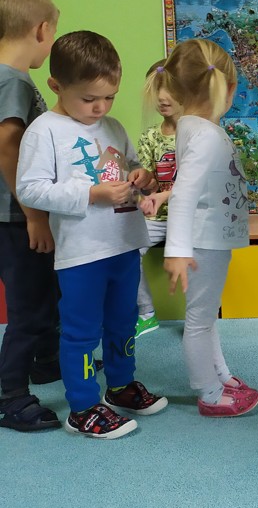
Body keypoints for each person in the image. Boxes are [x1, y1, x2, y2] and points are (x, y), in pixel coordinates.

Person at [16, 30, 168, 439]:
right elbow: (30, 189)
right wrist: (90, 194)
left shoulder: (112, 126)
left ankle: (120, 386)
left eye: (109, 97)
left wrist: (143, 177)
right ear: (56, 86)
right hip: (82, 253)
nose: (100, 107)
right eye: (89, 99)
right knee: (81, 331)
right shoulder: (45, 131)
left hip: (124, 243)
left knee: (123, 322)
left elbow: (130, 166)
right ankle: (83, 407)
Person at [149, 38, 258, 418]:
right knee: (199, 320)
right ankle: (210, 393)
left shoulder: (191, 127)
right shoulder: (206, 136)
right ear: (228, 88)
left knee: (206, 315)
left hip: (209, 237)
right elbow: (184, 194)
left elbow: (187, 188)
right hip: (204, 241)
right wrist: (177, 250)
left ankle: (220, 376)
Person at [0, 0, 62, 432]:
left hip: (12, 214)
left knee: (45, 292)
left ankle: (47, 360)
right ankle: (11, 396)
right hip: (14, 216)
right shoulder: (14, 80)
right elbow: (8, 145)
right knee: (30, 309)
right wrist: (35, 215)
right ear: (41, 30)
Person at [133, 59, 178, 338]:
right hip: (158, 218)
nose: (162, 98)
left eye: (169, 90)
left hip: (192, 217)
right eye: (156, 91)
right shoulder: (150, 137)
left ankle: (200, 319)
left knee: (200, 256)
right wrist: (144, 191)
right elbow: (147, 183)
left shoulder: (196, 134)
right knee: (128, 253)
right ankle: (146, 313)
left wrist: (165, 194)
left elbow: (201, 185)